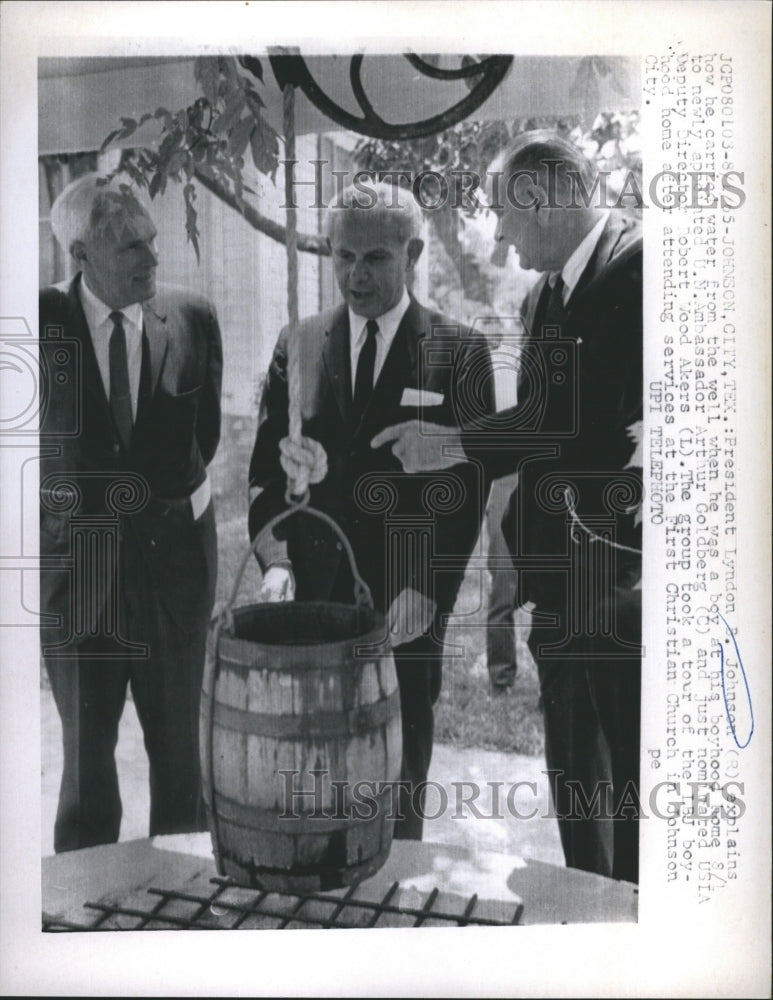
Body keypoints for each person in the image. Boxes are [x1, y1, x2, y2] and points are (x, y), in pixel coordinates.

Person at [371, 132, 643, 883]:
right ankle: (586, 905)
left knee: (627, 785)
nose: (500, 236)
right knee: (574, 780)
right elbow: (536, 438)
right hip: (557, 583)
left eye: (505, 214)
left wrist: (450, 443)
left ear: (544, 200)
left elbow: (569, 419)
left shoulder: (641, 271)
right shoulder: (543, 293)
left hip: (620, 584)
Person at [248, 181, 494, 840]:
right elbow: (267, 478)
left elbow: (465, 496)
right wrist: (276, 562)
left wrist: (429, 591)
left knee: (395, 773)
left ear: (412, 254)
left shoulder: (459, 350)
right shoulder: (297, 343)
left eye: (375, 258)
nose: (355, 275)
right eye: (342, 257)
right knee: (308, 771)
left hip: (404, 604)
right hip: (312, 601)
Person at [39, 173, 223, 852]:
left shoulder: (194, 318)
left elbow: (201, 443)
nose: (152, 256)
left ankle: (183, 912)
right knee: (86, 766)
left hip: (173, 577)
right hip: (79, 584)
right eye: (129, 247)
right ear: (80, 254)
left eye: (152, 239)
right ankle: (84, 919)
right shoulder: (33, 326)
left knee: (180, 761)